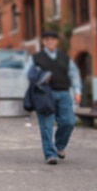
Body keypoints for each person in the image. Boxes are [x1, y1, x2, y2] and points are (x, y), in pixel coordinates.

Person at [26, 31, 81, 165]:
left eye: (52, 39)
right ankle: (50, 154)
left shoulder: (64, 58)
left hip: (63, 93)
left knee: (69, 122)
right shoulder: (36, 58)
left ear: (56, 41)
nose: (50, 42)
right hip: (44, 94)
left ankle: (60, 146)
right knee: (46, 125)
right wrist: (41, 77)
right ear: (43, 42)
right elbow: (28, 74)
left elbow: (73, 74)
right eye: (47, 39)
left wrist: (77, 91)